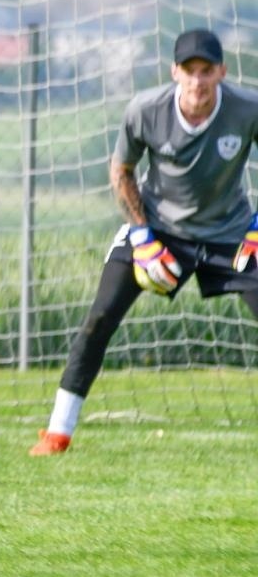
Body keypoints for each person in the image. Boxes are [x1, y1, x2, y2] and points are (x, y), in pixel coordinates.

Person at [31, 28, 258, 455]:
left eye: (206, 70)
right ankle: (58, 433)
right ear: (175, 72)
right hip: (157, 230)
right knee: (100, 317)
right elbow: (121, 171)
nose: (197, 80)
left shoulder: (248, 109)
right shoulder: (146, 110)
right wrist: (142, 235)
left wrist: (257, 227)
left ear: (222, 72)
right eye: (189, 71)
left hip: (230, 235)